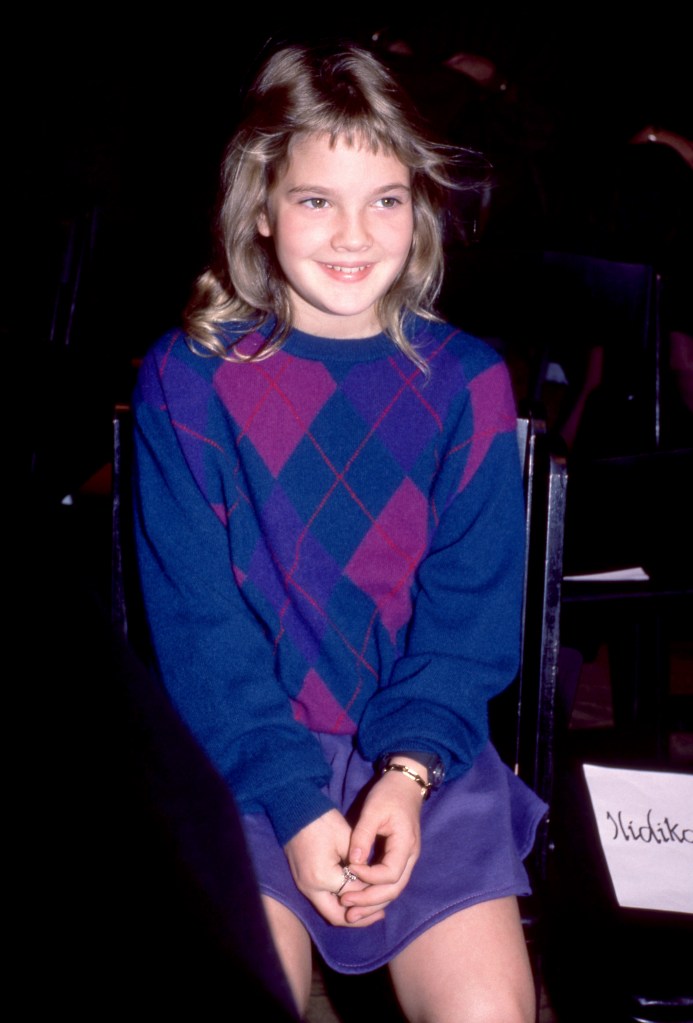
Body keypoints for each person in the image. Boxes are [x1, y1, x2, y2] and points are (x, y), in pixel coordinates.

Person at [132, 39, 546, 1023]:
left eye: (385, 199)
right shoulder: (188, 378)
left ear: (421, 207)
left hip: (422, 752)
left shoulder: (467, 382)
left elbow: (466, 627)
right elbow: (203, 637)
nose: (354, 234)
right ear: (261, 207)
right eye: (317, 199)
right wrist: (294, 800)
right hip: (239, 747)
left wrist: (404, 777)